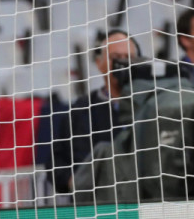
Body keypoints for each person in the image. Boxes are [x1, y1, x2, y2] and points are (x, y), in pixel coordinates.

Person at [46, 30, 139, 193]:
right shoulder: (81, 109)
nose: (123, 64)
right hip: (96, 206)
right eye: (116, 57)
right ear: (99, 63)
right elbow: (55, 163)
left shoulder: (153, 104)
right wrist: (78, 182)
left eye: (128, 58)